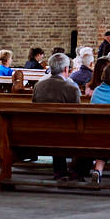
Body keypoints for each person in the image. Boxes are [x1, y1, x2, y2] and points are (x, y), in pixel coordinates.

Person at [31, 53, 83, 181]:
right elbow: (78, 115)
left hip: (39, 131)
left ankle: (61, 171)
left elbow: (33, 107)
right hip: (65, 134)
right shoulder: (71, 88)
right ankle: (76, 171)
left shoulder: (38, 86)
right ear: (66, 69)